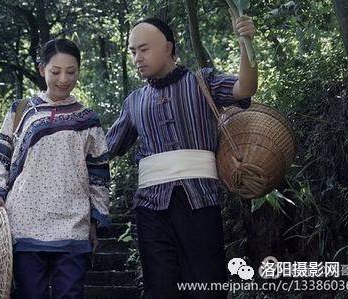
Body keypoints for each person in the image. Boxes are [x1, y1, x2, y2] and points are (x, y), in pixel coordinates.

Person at [105, 16, 258, 298]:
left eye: (144, 49)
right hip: (150, 207)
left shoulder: (203, 82)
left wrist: (245, 42)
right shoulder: (134, 102)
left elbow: (244, 89)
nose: (137, 57)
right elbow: (104, 150)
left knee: (205, 284)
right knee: (159, 288)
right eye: (133, 51)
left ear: (168, 47)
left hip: (199, 200)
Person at [0, 38, 110, 299]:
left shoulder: (88, 119)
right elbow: (1, 155)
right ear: (41, 70)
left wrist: (97, 219)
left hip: (73, 222)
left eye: (71, 72)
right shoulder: (22, 110)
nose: (63, 79)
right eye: (55, 72)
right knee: (30, 294)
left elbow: (99, 172)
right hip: (25, 221)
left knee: (70, 294)